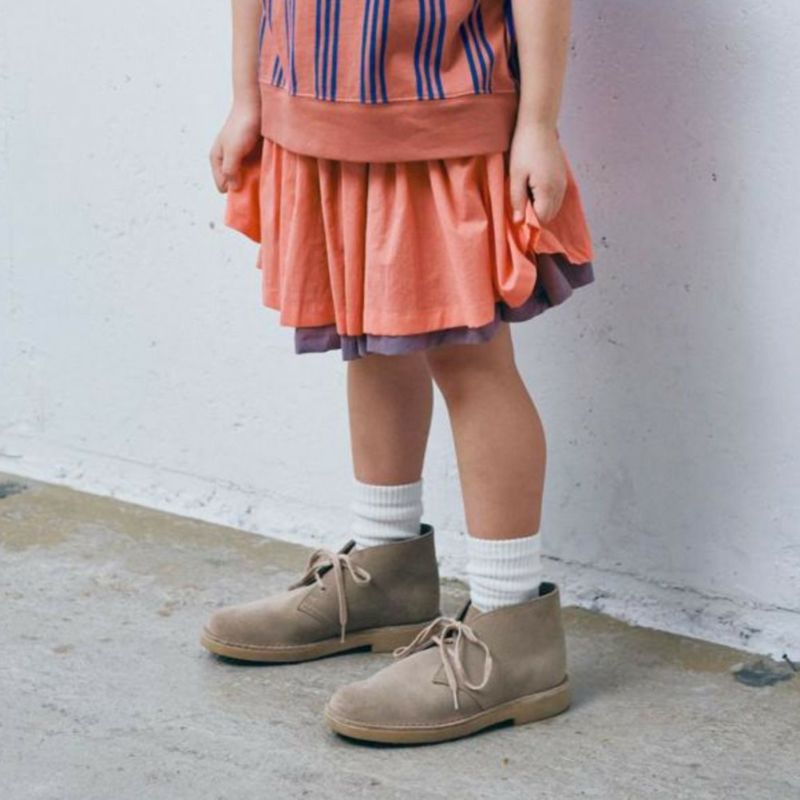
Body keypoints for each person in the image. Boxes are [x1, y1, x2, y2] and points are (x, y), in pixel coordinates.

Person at [202, 0, 594, 745]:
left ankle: (512, 628)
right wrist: (247, 97)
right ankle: (386, 570)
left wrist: (538, 125)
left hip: (445, 108)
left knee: (471, 362)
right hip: (310, 104)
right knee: (368, 333)